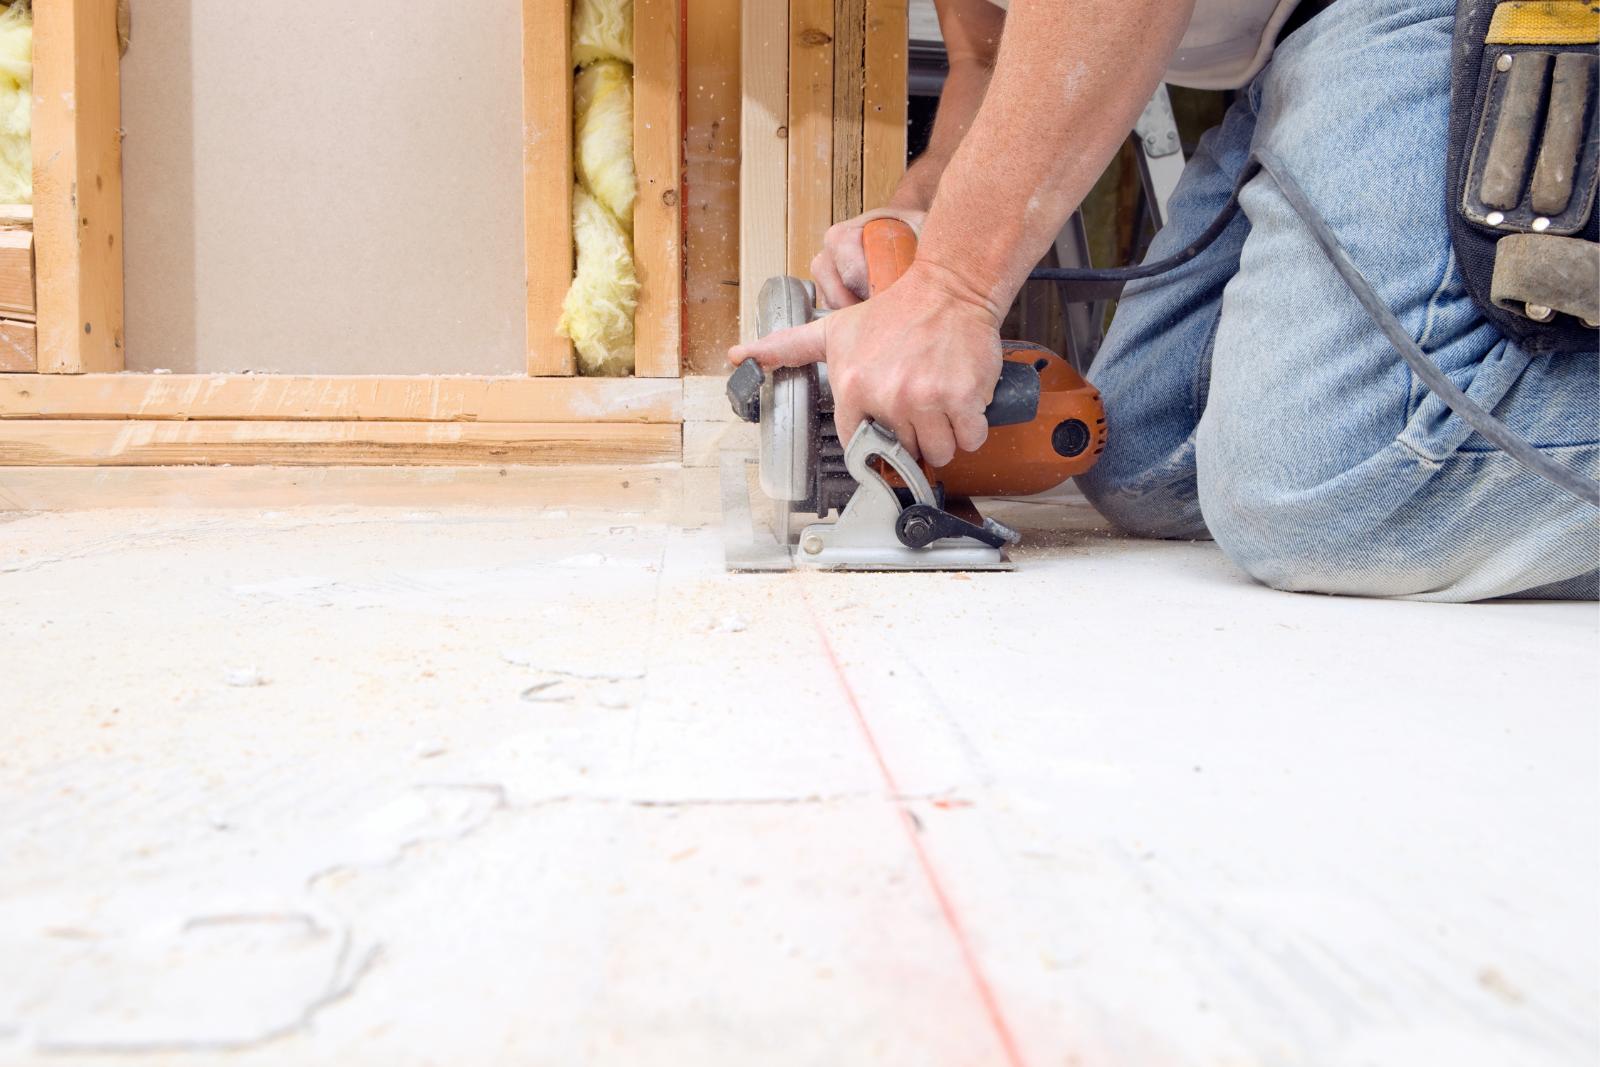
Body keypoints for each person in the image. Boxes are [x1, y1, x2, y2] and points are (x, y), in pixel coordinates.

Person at [728, 0, 1599, 601]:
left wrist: (953, 286)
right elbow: (988, 52)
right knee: (1143, 457)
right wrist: (922, 213)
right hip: (1300, 45)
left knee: (1319, 493)